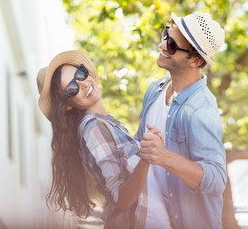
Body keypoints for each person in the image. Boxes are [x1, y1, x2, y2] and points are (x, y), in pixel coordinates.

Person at [36, 50, 171, 228]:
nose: (83, 84)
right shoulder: (93, 129)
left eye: (80, 74)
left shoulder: (107, 125)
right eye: (71, 88)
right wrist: (145, 159)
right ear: (67, 105)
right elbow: (121, 199)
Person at [136, 12, 227, 228]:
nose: (161, 45)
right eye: (164, 35)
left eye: (172, 45)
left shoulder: (200, 110)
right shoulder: (154, 90)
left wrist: (164, 156)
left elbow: (216, 180)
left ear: (196, 60)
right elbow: (139, 148)